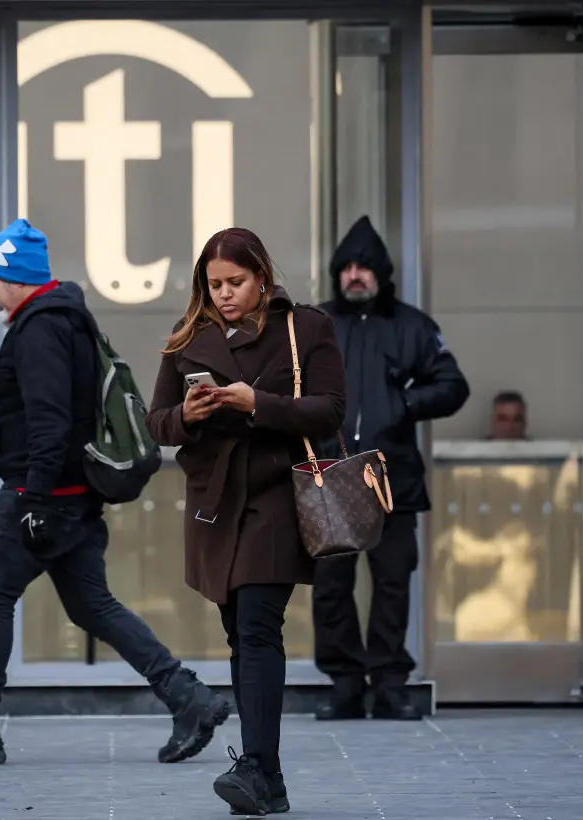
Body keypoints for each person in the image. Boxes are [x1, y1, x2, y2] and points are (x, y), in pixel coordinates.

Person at [0, 218, 230, 767]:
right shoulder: (65, 319)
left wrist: (33, 502)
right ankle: (188, 697)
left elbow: (50, 423)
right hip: (74, 493)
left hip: (45, 495)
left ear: (16, 277)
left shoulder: (39, 329)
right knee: (93, 606)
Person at [146, 227, 346, 815]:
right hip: (216, 502)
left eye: (236, 282)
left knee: (258, 627)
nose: (225, 294)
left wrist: (258, 405)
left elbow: (332, 408)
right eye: (214, 285)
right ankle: (270, 780)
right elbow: (157, 422)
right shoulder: (189, 338)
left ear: (261, 277)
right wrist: (189, 412)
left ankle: (256, 766)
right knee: (241, 634)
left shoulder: (306, 327)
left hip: (280, 494)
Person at [313, 215, 469, 722]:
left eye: (365, 267)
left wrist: (403, 404)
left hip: (390, 475)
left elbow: (452, 386)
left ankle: (389, 683)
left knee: (392, 581)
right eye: (348, 268)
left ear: (381, 273)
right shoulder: (315, 326)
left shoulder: (412, 327)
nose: (355, 275)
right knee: (332, 584)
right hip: (331, 474)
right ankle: (344, 684)